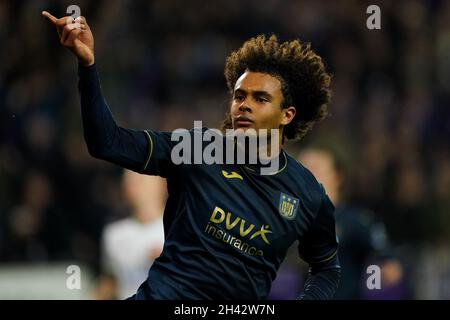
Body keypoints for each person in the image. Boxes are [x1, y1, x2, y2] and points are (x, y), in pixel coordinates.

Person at [42, 10, 341, 300]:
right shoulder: (195, 151)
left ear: (287, 114)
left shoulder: (307, 194)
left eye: (260, 98)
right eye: (239, 96)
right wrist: (88, 65)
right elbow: (107, 142)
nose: (244, 105)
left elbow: (327, 268)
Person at [297, 144, 389, 299]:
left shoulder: (354, 220)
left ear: (337, 176)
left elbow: (386, 260)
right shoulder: (289, 218)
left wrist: (380, 273)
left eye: (314, 169)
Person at [94, 170, 166, 300]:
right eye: (128, 180)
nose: (132, 184)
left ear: (161, 184)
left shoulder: (183, 230)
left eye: (140, 179)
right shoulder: (114, 234)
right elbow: (110, 281)